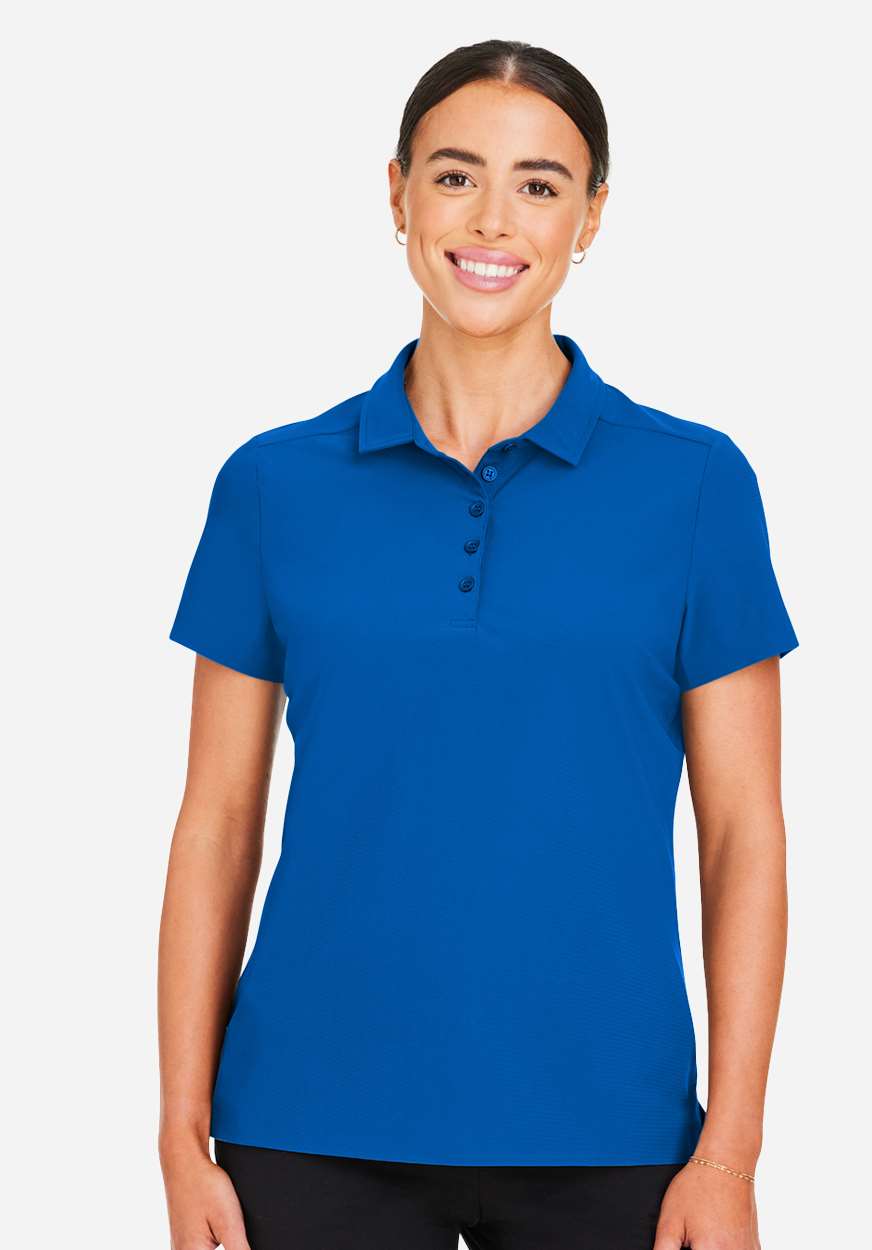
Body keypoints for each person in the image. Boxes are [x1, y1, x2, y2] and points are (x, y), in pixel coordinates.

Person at [158, 38, 799, 1250]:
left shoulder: (696, 485)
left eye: (539, 184)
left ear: (590, 216)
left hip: (613, 1129)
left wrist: (729, 1154)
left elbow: (742, 836)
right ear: (396, 194)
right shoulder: (272, 484)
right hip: (303, 1121)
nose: (492, 218)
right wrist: (182, 1135)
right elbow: (217, 820)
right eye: (455, 175)